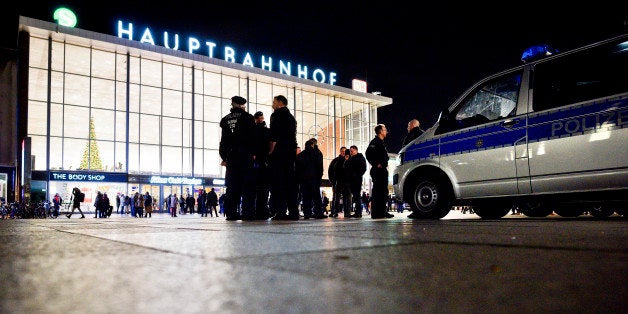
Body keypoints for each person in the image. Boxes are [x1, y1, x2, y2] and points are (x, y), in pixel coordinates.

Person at [220, 95, 256, 221]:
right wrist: (253, 153)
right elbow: (252, 137)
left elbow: (223, 141)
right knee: (247, 185)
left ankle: (231, 213)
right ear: (242, 106)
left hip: (231, 157)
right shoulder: (248, 118)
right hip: (245, 156)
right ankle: (247, 212)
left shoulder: (225, 120)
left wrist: (224, 156)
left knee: (232, 186)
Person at [268, 95, 299, 220]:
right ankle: (293, 211)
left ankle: (280, 211)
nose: (272, 104)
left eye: (274, 102)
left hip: (279, 153)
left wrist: (270, 152)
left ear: (280, 103)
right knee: (290, 183)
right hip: (290, 154)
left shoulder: (276, 115)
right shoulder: (291, 118)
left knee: (279, 182)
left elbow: (274, 136)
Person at [365, 124, 394, 219]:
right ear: (380, 131)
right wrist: (376, 163)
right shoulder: (375, 142)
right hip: (378, 171)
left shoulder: (380, 142)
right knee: (378, 191)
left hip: (382, 170)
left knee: (383, 191)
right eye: (385, 130)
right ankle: (376, 213)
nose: (386, 132)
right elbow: (368, 154)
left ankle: (382, 212)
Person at [295, 138, 327, 219]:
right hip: (314, 179)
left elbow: (297, 169)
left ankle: (307, 214)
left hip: (303, 180)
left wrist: (299, 179)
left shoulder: (300, 155)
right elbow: (320, 167)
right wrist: (319, 178)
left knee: (306, 197)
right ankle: (318, 213)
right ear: (313, 145)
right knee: (316, 197)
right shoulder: (317, 154)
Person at [252, 111, 271, 220]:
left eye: (261, 118)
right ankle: (262, 210)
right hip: (263, 161)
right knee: (263, 188)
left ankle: (257, 210)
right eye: (259, 118)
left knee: (256, 188)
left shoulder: (253, 131)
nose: (260, 119)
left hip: (257, 162)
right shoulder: (266, 131)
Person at [347, 145, 367, 218]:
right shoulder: (351, 158)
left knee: (357, 195)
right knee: (355, 196)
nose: (350, 152)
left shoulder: (360, 158)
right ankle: (357, 211)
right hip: (352, 179)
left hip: (356, 179)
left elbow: (363, 168)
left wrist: (357, 175)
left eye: (351, 151)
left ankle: (358, 212)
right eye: (350, 151)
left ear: (356, 150)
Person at [327, 147, 346, 218]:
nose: (343, 153)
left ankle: (347, 212)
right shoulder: (335, 161)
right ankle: (334, 212)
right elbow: (330, 172)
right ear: (340, 152)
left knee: (346, 197)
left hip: (345, 182)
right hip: (337, 182)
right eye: (342, 151)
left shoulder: (347, 160)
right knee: (336, 197)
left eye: (345, 151)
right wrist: (333, 181)